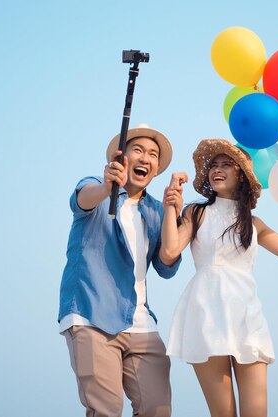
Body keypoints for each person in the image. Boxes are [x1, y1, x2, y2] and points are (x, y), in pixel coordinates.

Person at [160, 139, 278, 417]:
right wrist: (171, 207)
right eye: (213, 165)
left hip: (246, 316)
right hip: (206, 313)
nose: (217, 169)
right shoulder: (196, 212)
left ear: (240, 173)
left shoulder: (254, 224)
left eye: (226, 164)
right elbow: (168, 253)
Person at [58, 125, 183, 417]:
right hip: (92, 315)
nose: (146, 158)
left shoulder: (155, 210)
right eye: (138, 150)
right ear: (122, 157)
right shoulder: (96, 189)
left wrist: (172, 215)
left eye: (153, 154)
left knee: (158, 409)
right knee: (106, 410)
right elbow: (81, 200)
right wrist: (106, 188)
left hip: (140, 323)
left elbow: (166, 266)